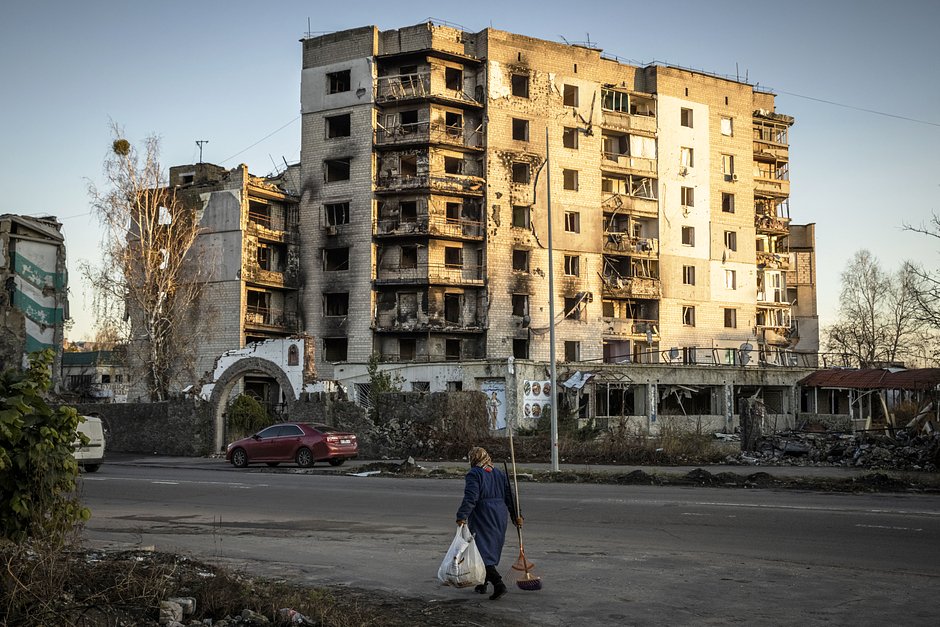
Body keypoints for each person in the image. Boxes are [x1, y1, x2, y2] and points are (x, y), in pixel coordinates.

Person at [456, 447, 522, 600]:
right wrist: (516, 515)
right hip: (499, 515)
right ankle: (482, 583)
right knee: (489, 548)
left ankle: (498, 584)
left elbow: (471, 497)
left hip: (483, 514)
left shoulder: (474, 474)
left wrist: (462, 515)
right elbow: (510, 496)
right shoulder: (498, 473)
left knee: (481, 551)